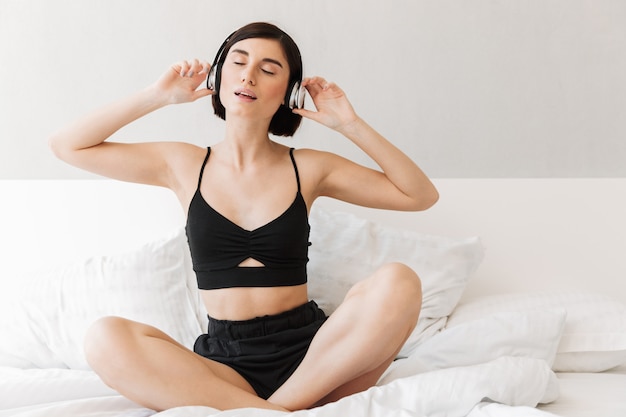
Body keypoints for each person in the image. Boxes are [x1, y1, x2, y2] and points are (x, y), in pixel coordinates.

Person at [48, 22, 439, 412]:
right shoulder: (183, 164)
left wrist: (348, 124)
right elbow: (67, 145)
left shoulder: (310, 167)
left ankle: (267, 411)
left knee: (399, 282)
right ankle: (274, 412)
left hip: (315, 359)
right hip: (225, 368)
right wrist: (157, 96)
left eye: (268, 70)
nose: (249, 75)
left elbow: (419, 194)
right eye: (238, 62)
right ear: (219, 76)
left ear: (289, 92)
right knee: (105, 338)